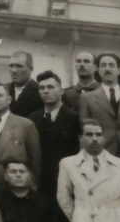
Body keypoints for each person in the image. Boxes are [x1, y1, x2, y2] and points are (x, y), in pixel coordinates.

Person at [29, 70, 81, 201]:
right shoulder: (32, 119)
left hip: (67, 182)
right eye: (42, 88)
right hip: (41, 183)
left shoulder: (74, 118)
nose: (46, 91)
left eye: (50, 87)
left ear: (61, 91)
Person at [78, 52, 120, 154]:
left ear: (119, 70)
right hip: (101, 153)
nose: (107, 69)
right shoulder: (87, 98)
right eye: (103, 65)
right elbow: (84, 131)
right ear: (98, 70)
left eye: (111, 65)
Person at [0, 82, 42, 186]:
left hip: (15, 186)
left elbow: (35, 160)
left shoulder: (26, 125)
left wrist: (32, 186)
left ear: (9, 100)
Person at [6, 51, 43, 117]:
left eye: (19, 66)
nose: (14, 70)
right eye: (11, 66)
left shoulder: (41, 91)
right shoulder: (4, 90)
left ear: (31, 69)